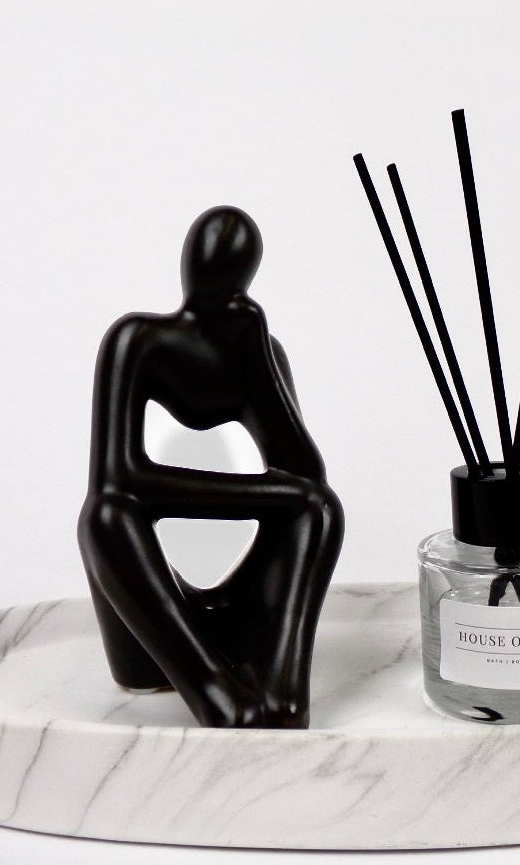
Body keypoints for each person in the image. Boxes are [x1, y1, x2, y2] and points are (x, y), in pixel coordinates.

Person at [79, 206, 344, 729]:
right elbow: (120, 478)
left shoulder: (257, 350)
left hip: (245, 620)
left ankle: (284, 689)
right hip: (146, 630)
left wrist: (258, 361)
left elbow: (306, 474)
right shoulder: (137, 339)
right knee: (106, 516)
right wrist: (275, 496)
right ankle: (212, 689)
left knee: (322, 510)